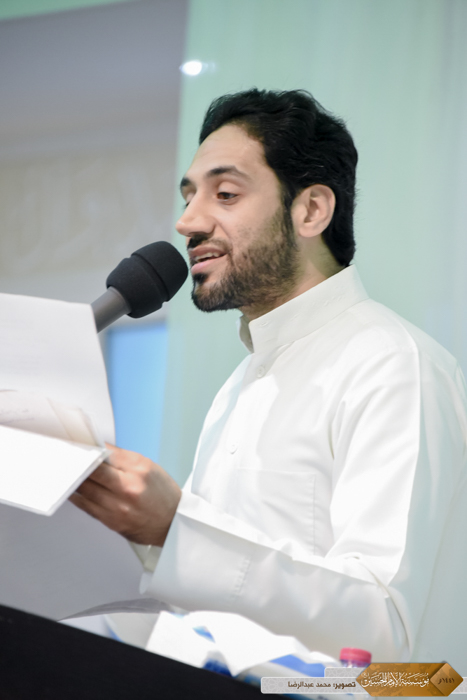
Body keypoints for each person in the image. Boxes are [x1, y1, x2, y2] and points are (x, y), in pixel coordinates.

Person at [70, 89, 467, 668]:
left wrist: (177, 528)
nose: (187, 222)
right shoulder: (239, 386)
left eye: (225, 194)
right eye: (188, 196)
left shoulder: (394, 365)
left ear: (311, 211)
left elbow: (385, 633)